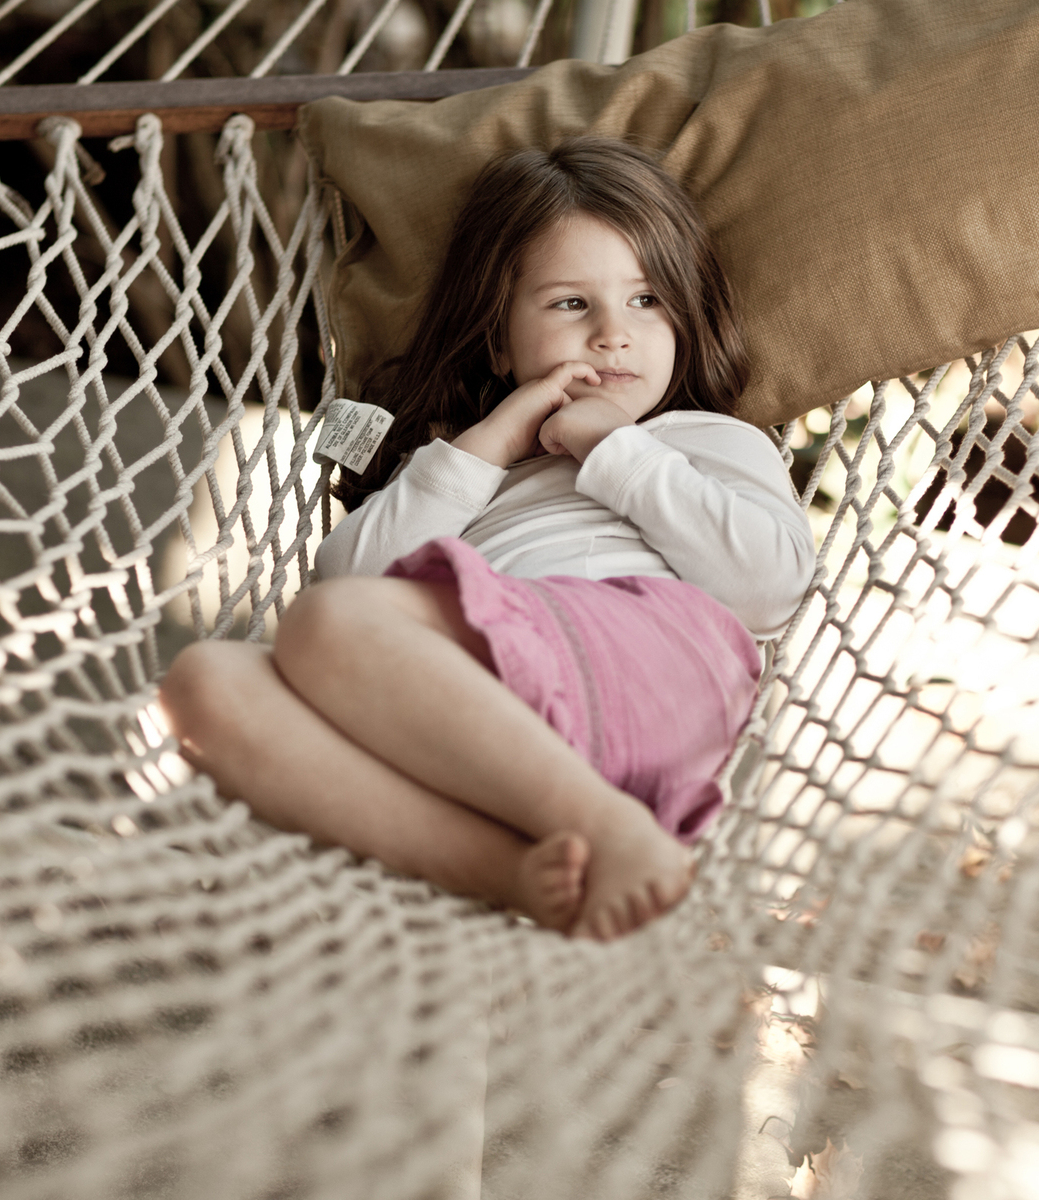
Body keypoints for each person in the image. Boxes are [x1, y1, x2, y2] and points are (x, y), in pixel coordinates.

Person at [158, 137, 814, 940]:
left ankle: (602, 824)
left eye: (646, 301)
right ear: (501, 343)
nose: (613, 334)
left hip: (649, 669)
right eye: (572, 304)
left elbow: (769, 586)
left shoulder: (706, 441)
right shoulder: (470, 473)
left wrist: (615, 447)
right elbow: (351, 577)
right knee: (203, 686)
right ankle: (513, 872)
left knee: (328, 628)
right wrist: (498, 439)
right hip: (491, 730)